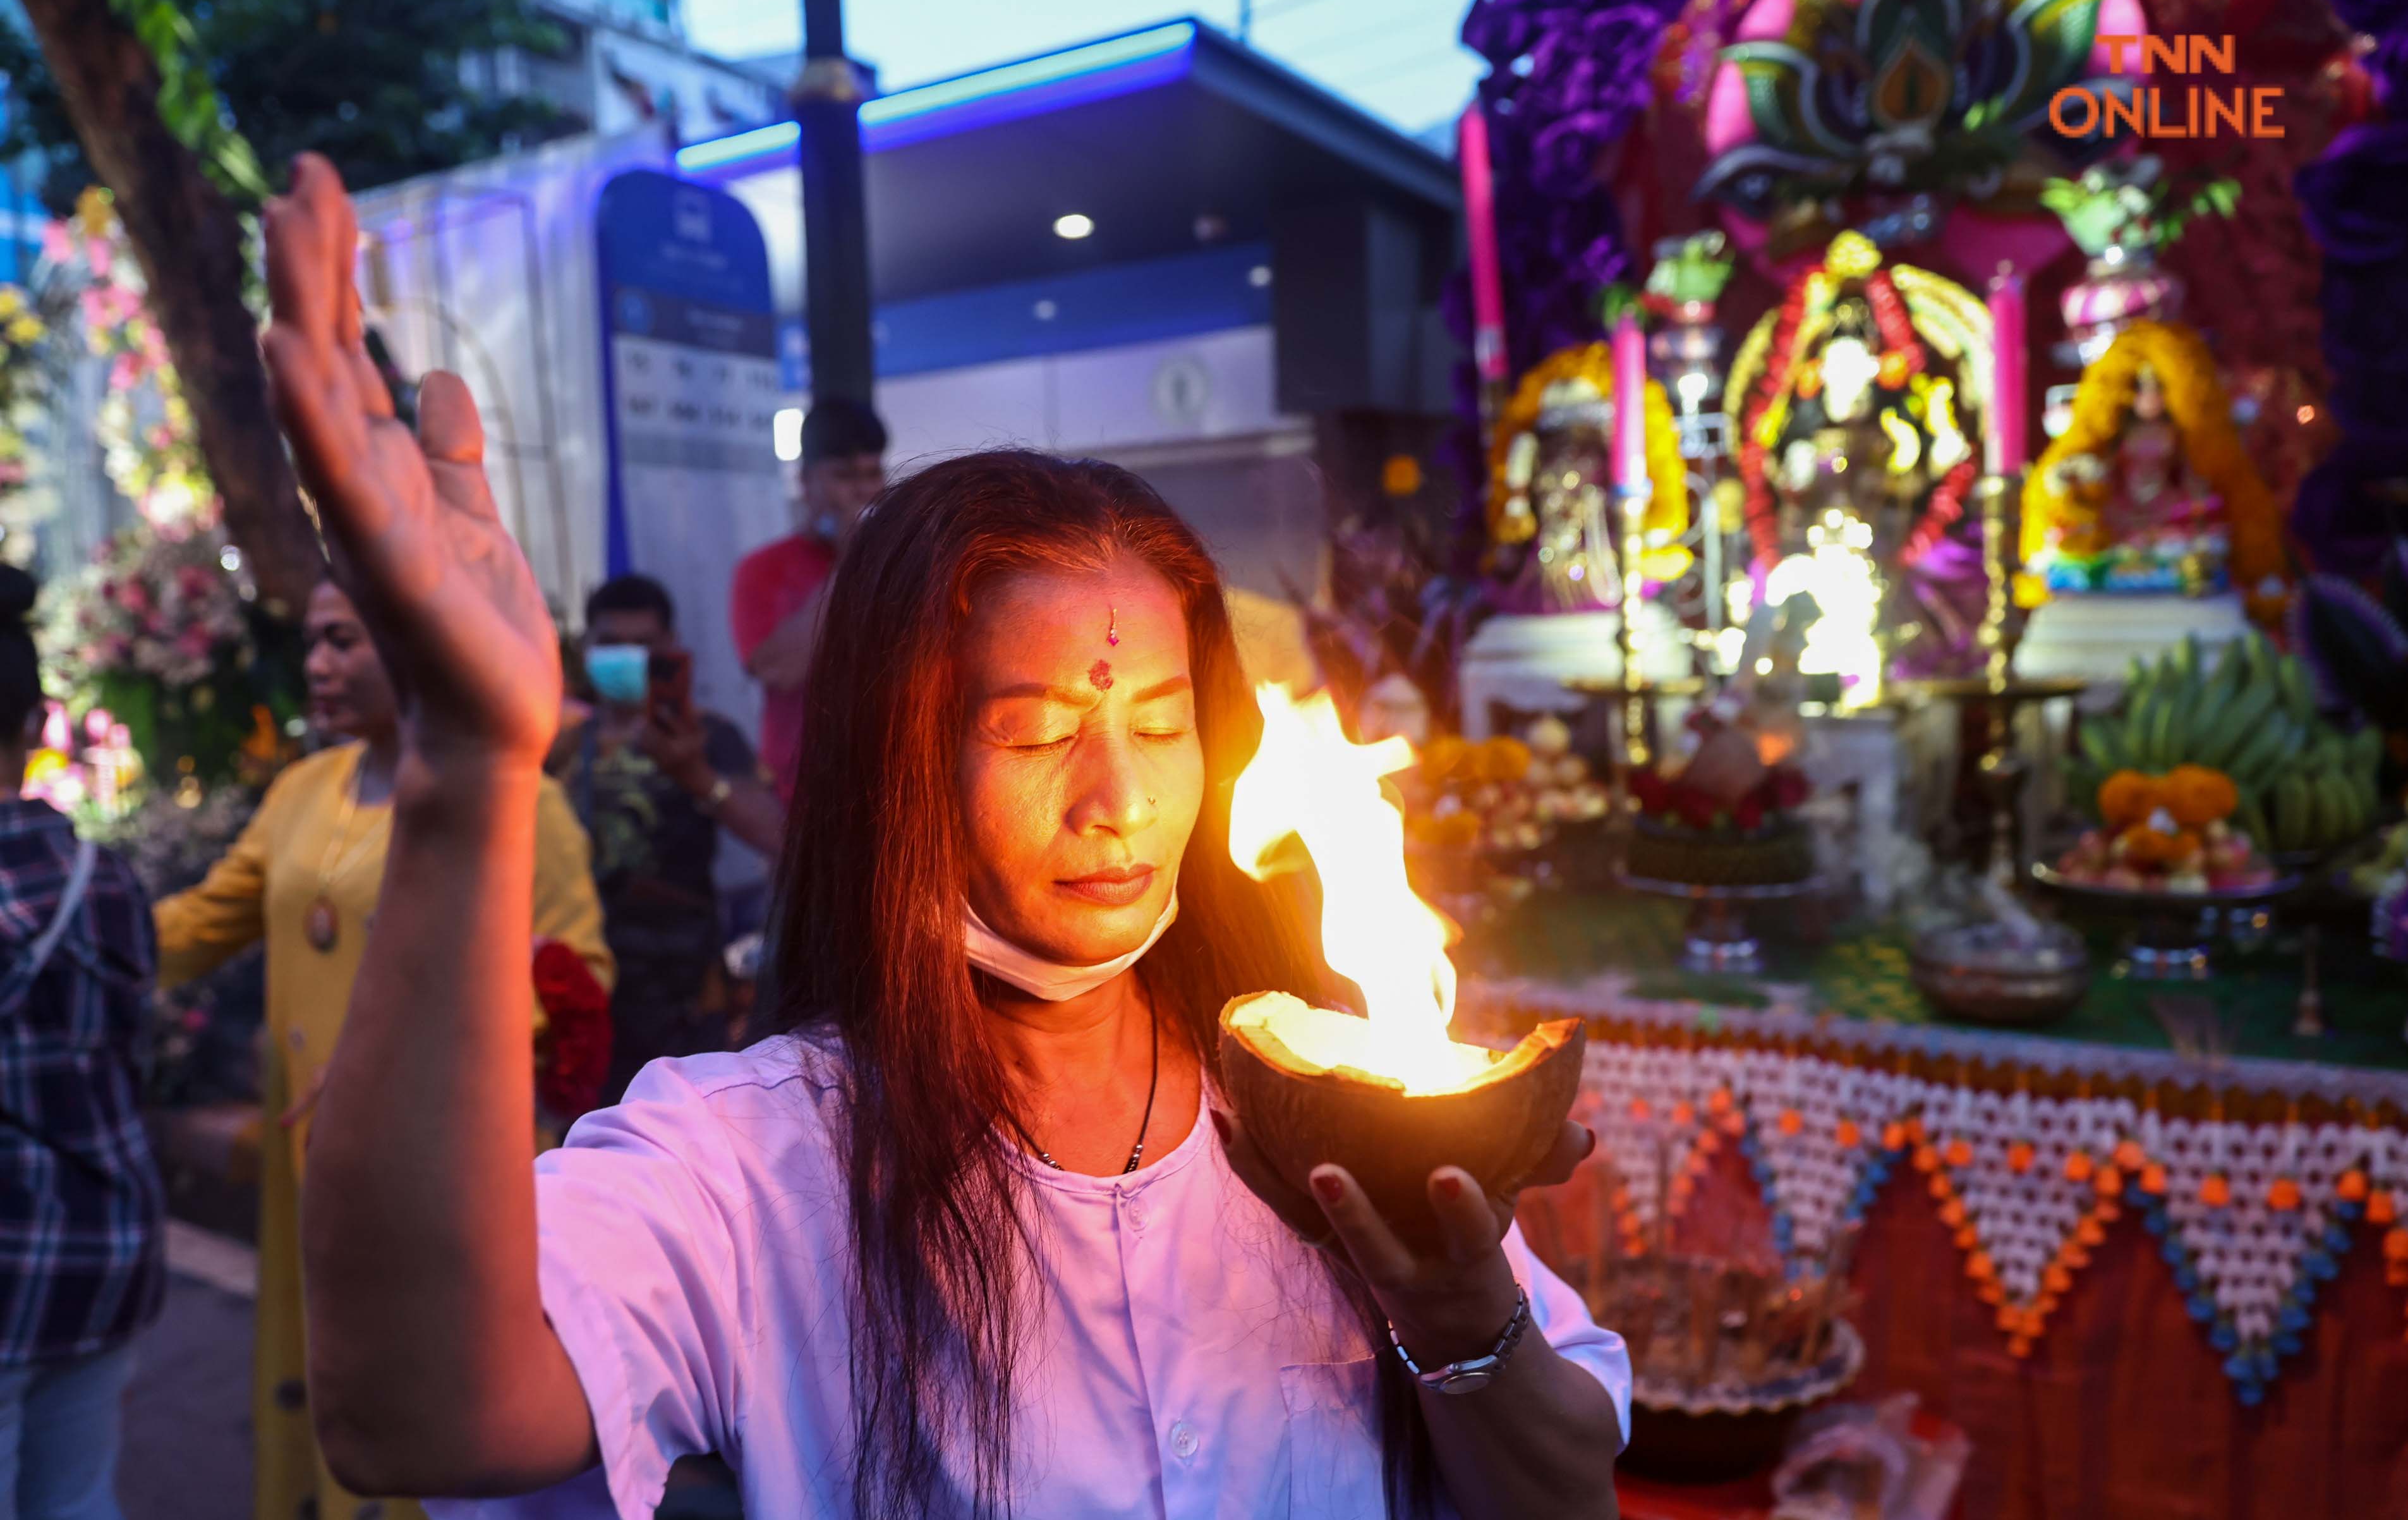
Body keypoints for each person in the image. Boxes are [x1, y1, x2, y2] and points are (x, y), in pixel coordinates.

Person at [266, 157, 1628, 1519]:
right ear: (899, 763)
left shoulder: (1322, 1121)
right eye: (1035, 732)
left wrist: (1453, 1306)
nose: (1118, 799)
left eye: (1161, 723)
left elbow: (1562, 1494)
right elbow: (416, 1413)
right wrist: (467, 759)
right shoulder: (760, 1162)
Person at [154, 578, 615, 1520]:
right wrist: (70, 918)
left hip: (451, 1175)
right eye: (312, 643)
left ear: (410, 642)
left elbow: (577, 975)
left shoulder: (518, 800)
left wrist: (407, 1050)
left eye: (340, 641)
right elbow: (200, 923)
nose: (316, 665)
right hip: (317, 1157)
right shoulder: (300, 793)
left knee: (441, 1416)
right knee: (339, 1382)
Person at [0, 565, 160, 1520]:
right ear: (35, 724)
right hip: (103, 1248)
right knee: (79, 1499)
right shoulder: (102, 874)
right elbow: (131, 1057)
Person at [559, 573, 782, 1102]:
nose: (626, 658)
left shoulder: (708, 735)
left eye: (644, 646)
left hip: (686, 990)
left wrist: (697, 774)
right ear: (587, 649)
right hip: (588, 987)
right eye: (611, 645)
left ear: (670, 650)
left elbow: (778, 835)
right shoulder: (564, 748)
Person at [729, 396, 886, 795]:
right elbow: (779, 671)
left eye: (873, 474)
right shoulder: (763, 569)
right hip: (800, 790)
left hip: (890, 782)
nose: (863, 491)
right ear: (805, 481)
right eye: (846, 477)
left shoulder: (900, 563)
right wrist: (850, 562)